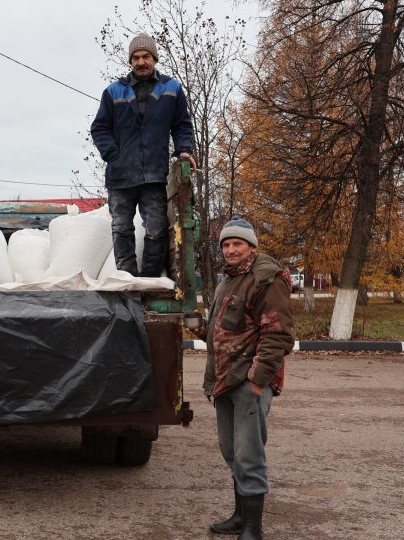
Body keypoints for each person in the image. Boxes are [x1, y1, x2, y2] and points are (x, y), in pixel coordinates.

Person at [188, 216, 294, 539]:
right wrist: (200, 327)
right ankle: (239, 515)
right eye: (227, 244)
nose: (231, 250)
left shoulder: (265, 279)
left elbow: (278, 335)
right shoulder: (228, 281)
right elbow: (224, 332)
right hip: (224, 382)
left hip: (248, 384)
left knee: (249, 455)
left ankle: (253, 529)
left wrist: (258, 381)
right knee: (231, 451)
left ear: (252, 246)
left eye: (238, 243)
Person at [91, 32, 195, 277]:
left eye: (146, 56)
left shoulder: (171, 89)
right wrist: (112, 155)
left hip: (154, 175)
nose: (141, 62)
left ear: (155, 58)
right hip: (120, 175)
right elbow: (99, 127)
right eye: (135, 57)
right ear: (130, 61)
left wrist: (184, 150)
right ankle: (127, 278)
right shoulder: (113, 92)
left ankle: (149, 279)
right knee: (121, 227)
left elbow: (182, 124)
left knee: (157, 228)